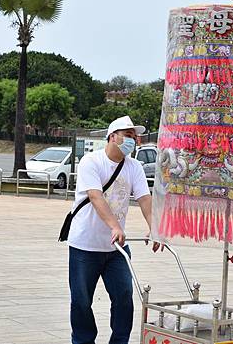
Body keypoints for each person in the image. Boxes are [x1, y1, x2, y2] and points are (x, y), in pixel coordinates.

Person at [67, 115, 162, 344]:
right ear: (112, 136)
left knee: (123, 297)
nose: (133, 141)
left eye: (134, 137)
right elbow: (95, 196)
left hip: (117, 249)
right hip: (85, 246)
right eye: (128, 135)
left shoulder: (134, 166)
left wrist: (155, 227)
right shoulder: (91, 161)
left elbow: (144, 199)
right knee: (81, 301)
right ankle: (82, 340)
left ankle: (119, 341)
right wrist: (115, 226)